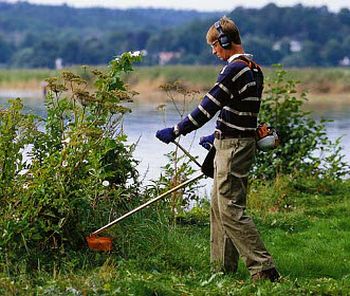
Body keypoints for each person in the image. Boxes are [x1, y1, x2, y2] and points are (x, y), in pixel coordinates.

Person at [155, 16, 280, 282]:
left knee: (231, 209)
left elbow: (207, 107)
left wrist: (176, 130)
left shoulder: (233, 69)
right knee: (219, 206)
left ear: (225, 41)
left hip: (234, 147)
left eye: (214, 45)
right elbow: (242, 111)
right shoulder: (253, 68)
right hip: (233, 142)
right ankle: (222, 270)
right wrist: (216, 135)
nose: (213, 52)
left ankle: (264, 269)